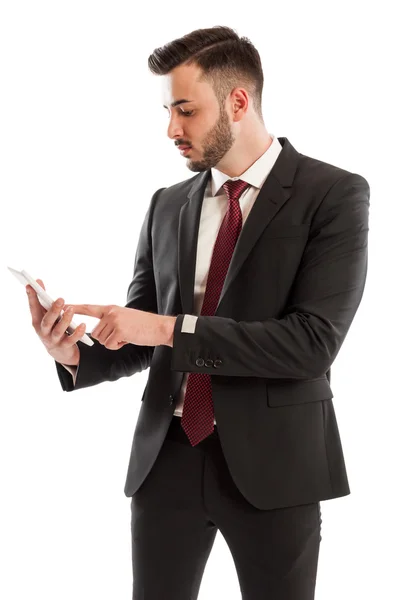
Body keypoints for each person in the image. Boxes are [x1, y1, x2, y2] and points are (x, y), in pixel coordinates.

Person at [26, 25, 370, 600]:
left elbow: (311, 344)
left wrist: (166, 327)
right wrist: (74, 355)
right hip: (167, 461)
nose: (170, 129)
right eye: (167, 110)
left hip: (274, 466)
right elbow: (143, 336)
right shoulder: (168, 204)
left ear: (238, 102)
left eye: (185, 110)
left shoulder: (332, 195)